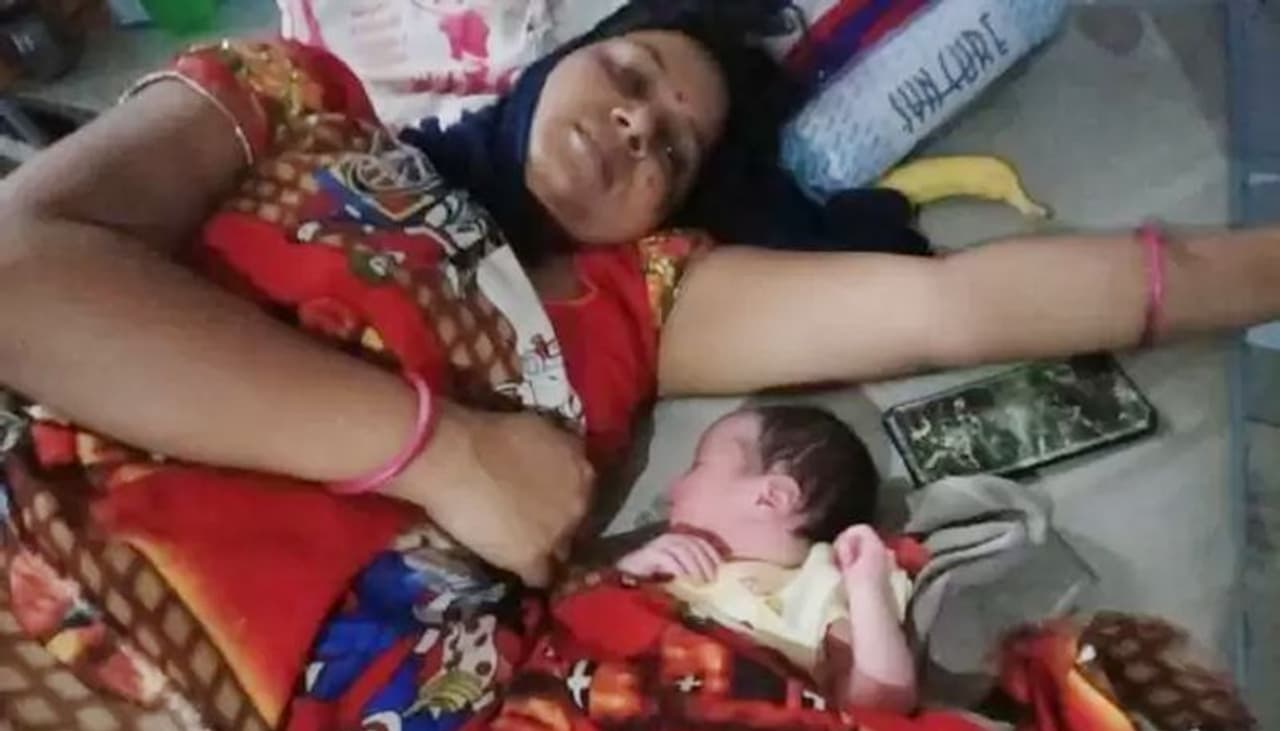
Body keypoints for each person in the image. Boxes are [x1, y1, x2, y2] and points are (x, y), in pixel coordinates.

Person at [3, 0, 1280, 593]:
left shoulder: (645, 299)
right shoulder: (292, 94)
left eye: (669, 146)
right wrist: (441, 450)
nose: (633, 121)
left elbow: (946, 310)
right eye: (624, 73)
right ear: (553, 60)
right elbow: (20, 276)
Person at [615, 405, 917, 714]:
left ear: (770, 497)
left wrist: (867, 590)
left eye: (697, 466)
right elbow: (596, 622)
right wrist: (628, 574)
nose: (671, 490)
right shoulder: (662, 564)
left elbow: (880, 705)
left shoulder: (817, 588)